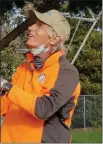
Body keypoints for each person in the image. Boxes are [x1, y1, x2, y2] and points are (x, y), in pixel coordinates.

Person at [0, 9, 80, 143]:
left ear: (55, 38)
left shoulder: (67, 72)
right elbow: (5, 105)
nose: (30, 27)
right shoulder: (23, 68)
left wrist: (4, 84)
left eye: (40, 25)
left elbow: (44, 109)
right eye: (33, 24)